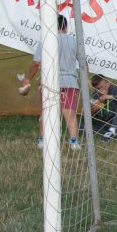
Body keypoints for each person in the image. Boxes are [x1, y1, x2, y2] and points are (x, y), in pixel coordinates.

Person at [22, 14, 82, 150]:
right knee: (70, 113)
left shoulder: (46, 40)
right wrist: (87, 79)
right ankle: (74, 141)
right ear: (66, 26)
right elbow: (83, 62)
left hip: (49, 82)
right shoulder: (74, 41)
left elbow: (36, 63)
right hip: (70, 82)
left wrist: (27, 79)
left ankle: (42, 140)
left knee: (47, 112)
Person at [89, 74, 117, 141]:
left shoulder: (115, 90)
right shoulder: (95, 95)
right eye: (98, 88)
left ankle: (112, 130)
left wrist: (111, 97)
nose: (101, 90)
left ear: (108, 84)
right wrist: (95, 109)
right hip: (107, 122)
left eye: (104, 86)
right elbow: (90, 115)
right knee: (86, 125)